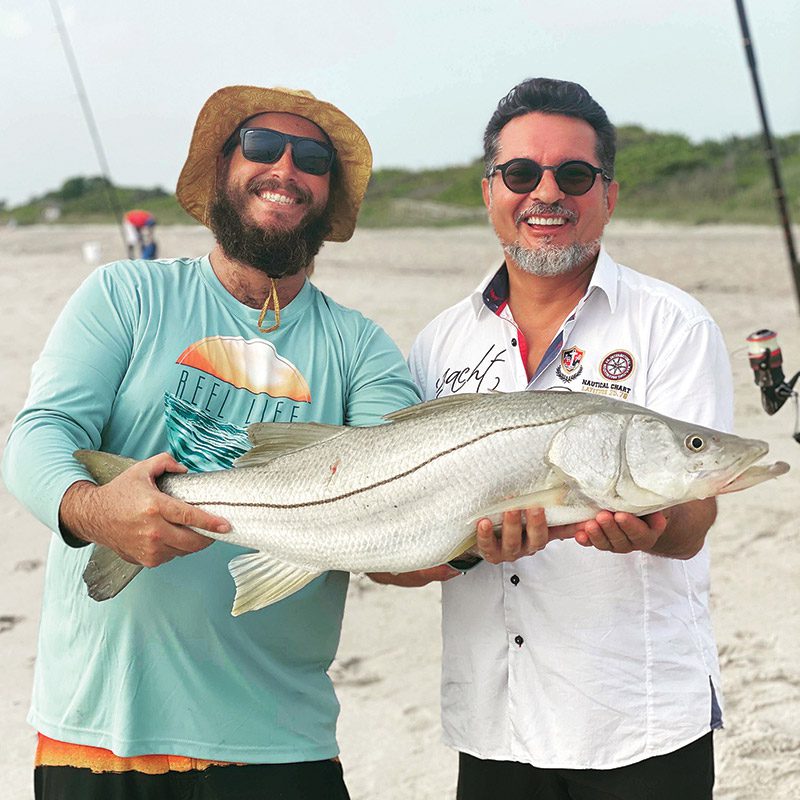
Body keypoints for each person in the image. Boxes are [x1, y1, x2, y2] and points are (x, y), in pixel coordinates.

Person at [2, 85, 424, 800]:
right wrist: (95, 511)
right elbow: (39, 437)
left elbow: (398, 512)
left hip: (280, 746)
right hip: (96, 735)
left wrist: (459, 546)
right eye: (262, 147)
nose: (286, 169)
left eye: (313, 158)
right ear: (222, 166)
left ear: (331, 193)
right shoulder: (122, 296)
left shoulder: (364, 350)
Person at [375, 78, 732, 799]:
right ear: (489, 191)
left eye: (573, 174)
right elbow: (401, 550)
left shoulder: (672, 325)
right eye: (520, 174)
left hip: (639, 720)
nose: (547, 193)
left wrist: (652, 526)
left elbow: (694, 520)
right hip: (493, 722)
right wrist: (468, 549)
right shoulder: (437, 345)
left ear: (609, 194)